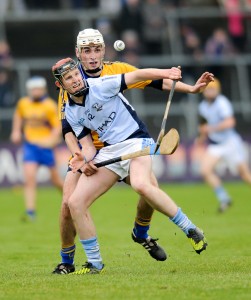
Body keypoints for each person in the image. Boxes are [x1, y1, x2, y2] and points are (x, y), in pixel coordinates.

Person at [52, 28, 214, 275]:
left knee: (147, 190)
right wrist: (81, 159)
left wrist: (190, 88)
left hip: (131, 141)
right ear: (78, 53)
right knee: (69, 203)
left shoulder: (110, 75)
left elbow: (152, 79)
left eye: (96, 49)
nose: (92, 56)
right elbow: (70, 131)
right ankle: (71, 261)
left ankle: (143, 233)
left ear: (103, 50)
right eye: (87, 51)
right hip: (96, 152)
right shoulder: (68, 86)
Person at [10, 76, 63, 221]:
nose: (36, 92)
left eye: (38, 89)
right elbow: (18, 116)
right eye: (33, 89)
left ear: (44, 89)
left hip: (46, 147)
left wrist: (50, 140)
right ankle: (30, 211)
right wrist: (15, 131)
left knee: (56, 181)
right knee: (29, 178)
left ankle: (71, 201)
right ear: (29, 90)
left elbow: (57, 127)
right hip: (31, 146)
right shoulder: (23, 103)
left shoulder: (49, 105)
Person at [197, 78, 251, 212]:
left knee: (245, 175)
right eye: (208, 89)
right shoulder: (203, 106)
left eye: (213, 89)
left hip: (230, 143)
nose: (210, 92)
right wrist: (202, 137)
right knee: (205, 171)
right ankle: (224, 198)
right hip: (216, 144)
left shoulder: (222, 103)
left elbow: (230, 123)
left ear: (218, 90)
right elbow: (204, 126)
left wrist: (211, 129)